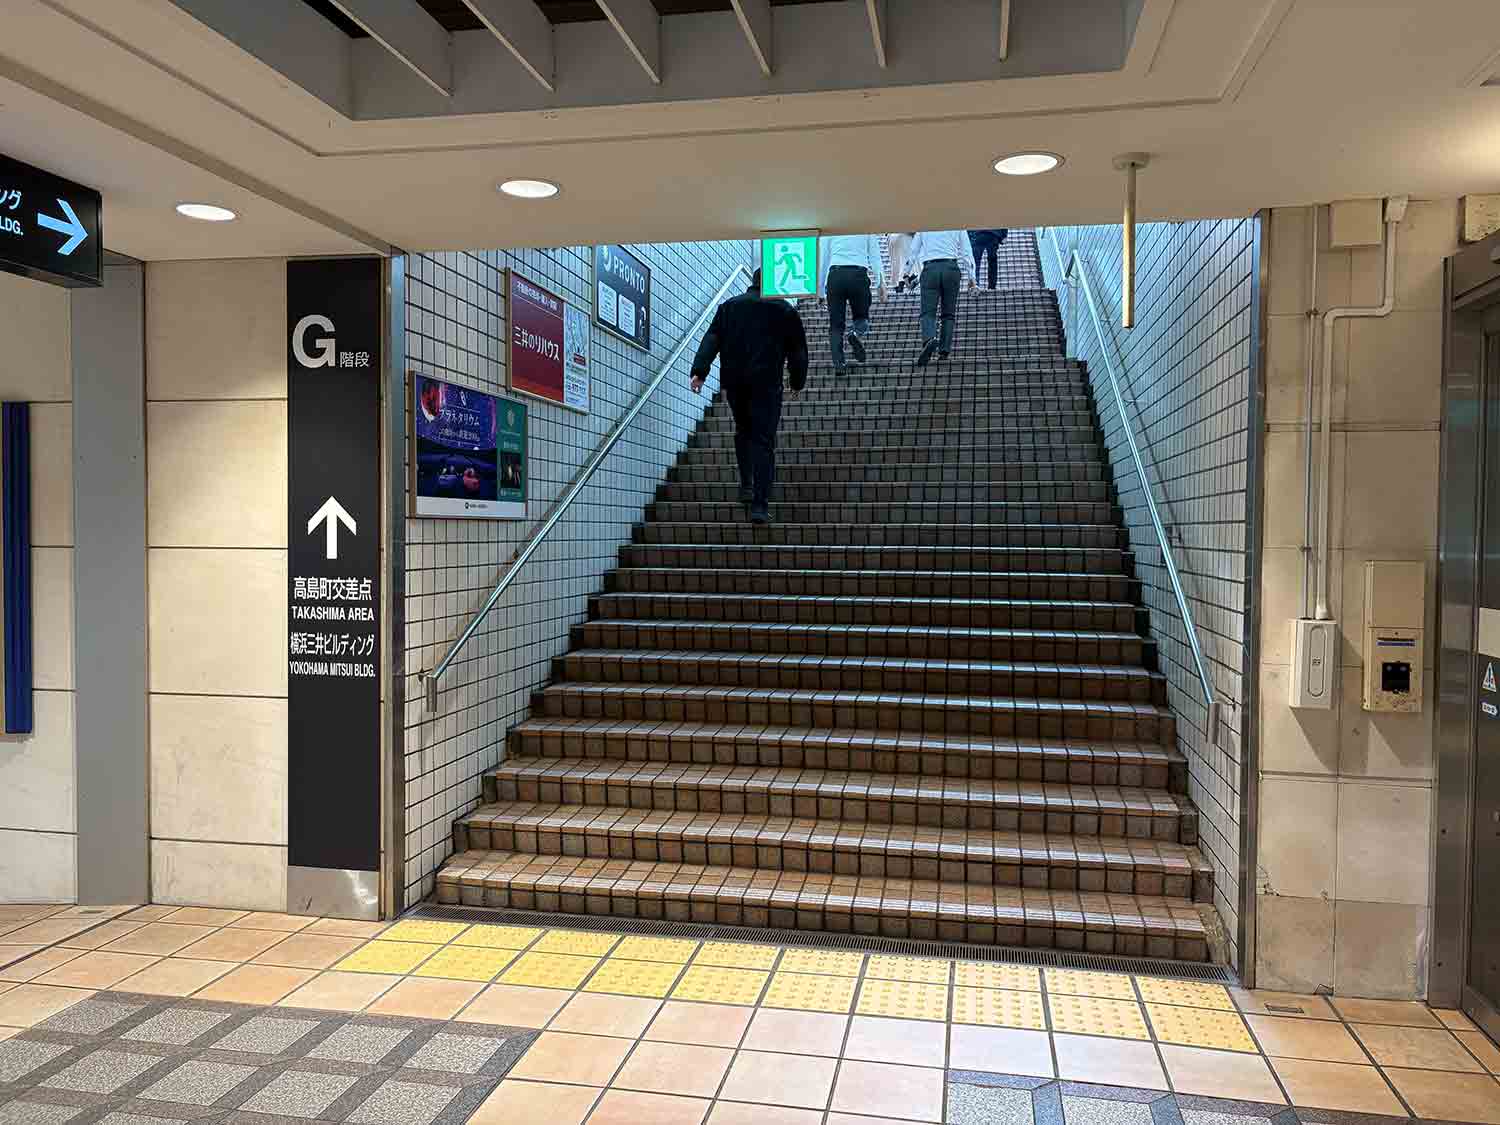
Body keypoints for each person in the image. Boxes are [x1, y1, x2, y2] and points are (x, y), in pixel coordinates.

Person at [689, 269, 809, 524]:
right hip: (767, 385)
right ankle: (759, 506)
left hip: (736, 384)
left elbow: (712, 338)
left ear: (751, 283)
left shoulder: (730, 307)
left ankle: (746, 485)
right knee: (763, 441)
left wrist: (699, 371)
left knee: (743, 431)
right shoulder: (784, 309)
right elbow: (797, 350)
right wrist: (797, 381)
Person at [819, 233, 884, 376]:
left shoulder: (831, 226)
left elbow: (823, 258)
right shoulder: (866, 226)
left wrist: (820, 291)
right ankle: (855, 333)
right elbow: (875, 256)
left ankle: (839, 364)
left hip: (836, 276)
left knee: (836, 325)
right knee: (862, 318)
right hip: (858, 275)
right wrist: (880, 283)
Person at [910, 230, 978, 366]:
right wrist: (972, 277)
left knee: (928, 312)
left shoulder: (924, 224)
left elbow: (913, 250)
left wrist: (906, 273)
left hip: (930, 269)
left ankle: (929, 339)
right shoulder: (957, 224)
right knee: (948, 314)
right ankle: (944, 351)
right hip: (951, 269)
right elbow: (967, 251)